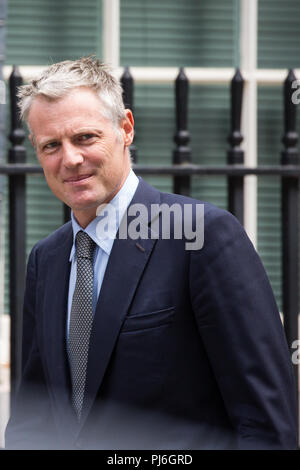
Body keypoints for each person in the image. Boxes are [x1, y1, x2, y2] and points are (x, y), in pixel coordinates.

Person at [5, 57, 298, 450]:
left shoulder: (202, 236)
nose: (70, 159)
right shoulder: (47, 259)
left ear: (125, 128)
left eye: (85, 137)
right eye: (51, 145)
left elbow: (265, 423)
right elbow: (33, 419)